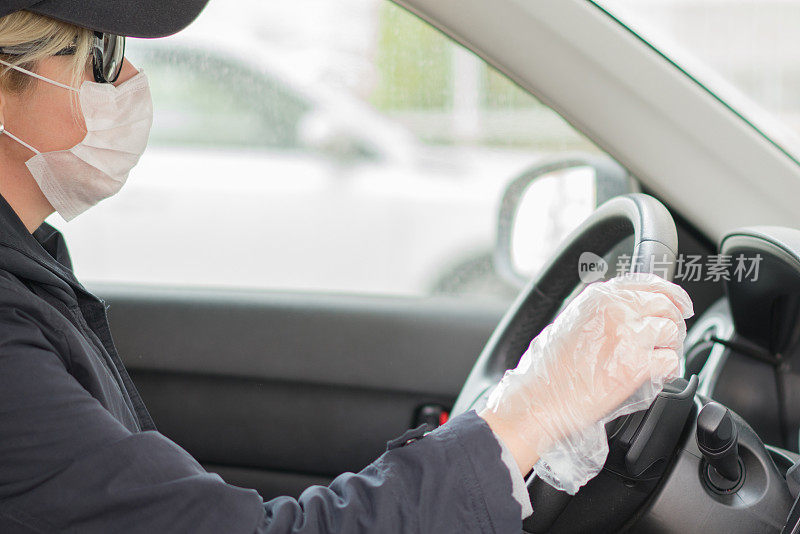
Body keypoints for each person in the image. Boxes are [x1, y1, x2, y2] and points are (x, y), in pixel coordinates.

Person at [0, 1, 694, 532]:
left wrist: (513, 421)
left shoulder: (32, 266)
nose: (128, 80)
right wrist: (528, 414)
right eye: (100, 54)